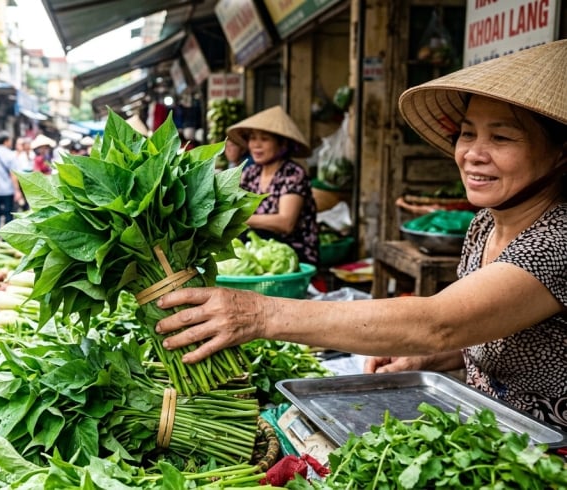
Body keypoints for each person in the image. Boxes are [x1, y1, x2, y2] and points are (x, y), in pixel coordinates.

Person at [155, 40, 567, 432]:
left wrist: (258, 315)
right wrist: (428, 356)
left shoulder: (558, 240)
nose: (473, 153)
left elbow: (442, 322)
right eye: (467, 133)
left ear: (561, 152)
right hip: (491, 431)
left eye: (501, 137)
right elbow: (490, 332)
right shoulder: (484, 226)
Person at [229, 106, 319, 265]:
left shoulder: (293, 174)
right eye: (252, 138)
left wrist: (241, 218)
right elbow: (232, 206)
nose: (256, 145)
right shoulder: (250, 174)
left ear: (282, 144)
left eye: (264, 139)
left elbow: (286, 223)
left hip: (291, 255)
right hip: (259, 249)